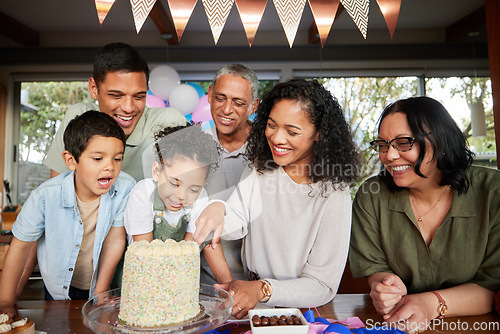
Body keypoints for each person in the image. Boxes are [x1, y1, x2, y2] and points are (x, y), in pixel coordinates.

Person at [194, 79, 361, 318]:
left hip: (305, 312)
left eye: (292, 131)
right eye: (271, 125)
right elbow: (233, 222)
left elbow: (322, 285)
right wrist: (218, 207)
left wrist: (262, 290)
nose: (277, 138)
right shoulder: (261, 168)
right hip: (255, 305)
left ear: (319, 134)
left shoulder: (335, 193)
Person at [349, 96, 500, 333]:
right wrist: (385, 287)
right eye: (382, 144)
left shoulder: (493, 192)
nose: (388, 155)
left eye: (403, 143)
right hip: (399, 324)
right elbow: (376, 270)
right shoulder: (371, 196)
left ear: (441, 140)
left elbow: (492, 286)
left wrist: (431, 304)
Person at [0, 111, 135, 316]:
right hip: (57, 290)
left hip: (100, 284)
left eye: (117, 159)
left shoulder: (125, 188)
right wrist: (5, 301)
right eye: (98, 158)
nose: (110, 167)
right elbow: (20, 248)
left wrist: (101, 290)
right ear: (71, 161)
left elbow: (115, 240)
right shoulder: (44, 196)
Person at [44, 42, 187, 181]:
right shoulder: (78, 117)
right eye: (116, 96)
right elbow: (55, 191)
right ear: (94, 89)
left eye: (139, 96)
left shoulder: (169, 122)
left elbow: (195, 189)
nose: (128, 108)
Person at [123, 123, 232, 284]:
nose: (181, 196)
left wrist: (228, 285)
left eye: (194, 189)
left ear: (203, 184)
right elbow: (145, 250)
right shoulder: (143, 194)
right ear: (156, 171)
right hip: (144, 277)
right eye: (174, 184)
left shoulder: (201, 198)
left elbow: (190, 249)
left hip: (178, 278)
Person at [200, 64, 260, 285]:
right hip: (208, 286)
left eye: (238, 102)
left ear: (254, 105)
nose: (226, 109)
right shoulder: (192, 149)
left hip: (266, 287)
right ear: (209, 94)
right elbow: (196, 224)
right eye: (220, 98)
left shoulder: (271, 151)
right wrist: (230, 288)